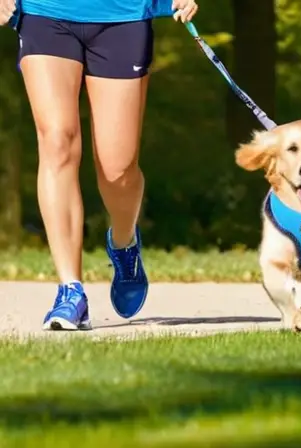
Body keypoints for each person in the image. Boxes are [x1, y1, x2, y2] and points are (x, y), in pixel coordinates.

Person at [0, 0, 199, 330]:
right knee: (56, 140)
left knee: (117, 168)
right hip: (43, 12)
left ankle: (124, 243)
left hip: (123, 15)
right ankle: (70, 291)